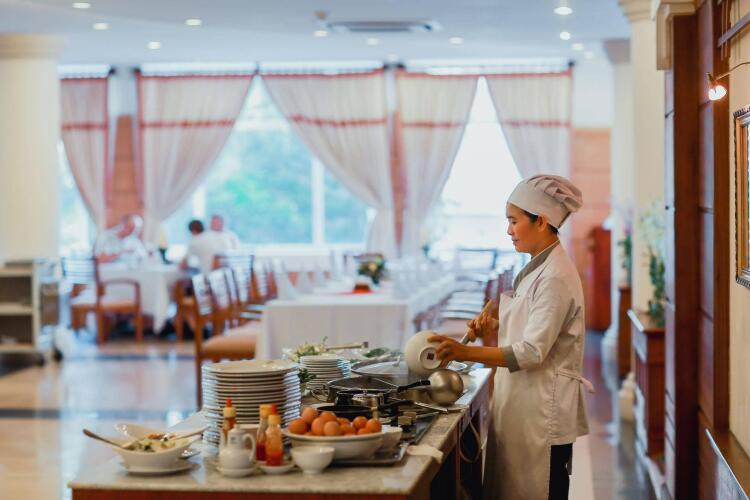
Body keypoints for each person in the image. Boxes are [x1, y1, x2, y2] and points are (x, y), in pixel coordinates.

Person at [428, 175, 590, 500]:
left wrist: (464, 352)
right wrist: (495, 322)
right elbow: (537, 320)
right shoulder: (539, 266)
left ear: (541, 221)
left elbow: (531, 351)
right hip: (524, 402)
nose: (509, 230)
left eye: (514, 221)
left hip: (542, 410)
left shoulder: (555, 276)